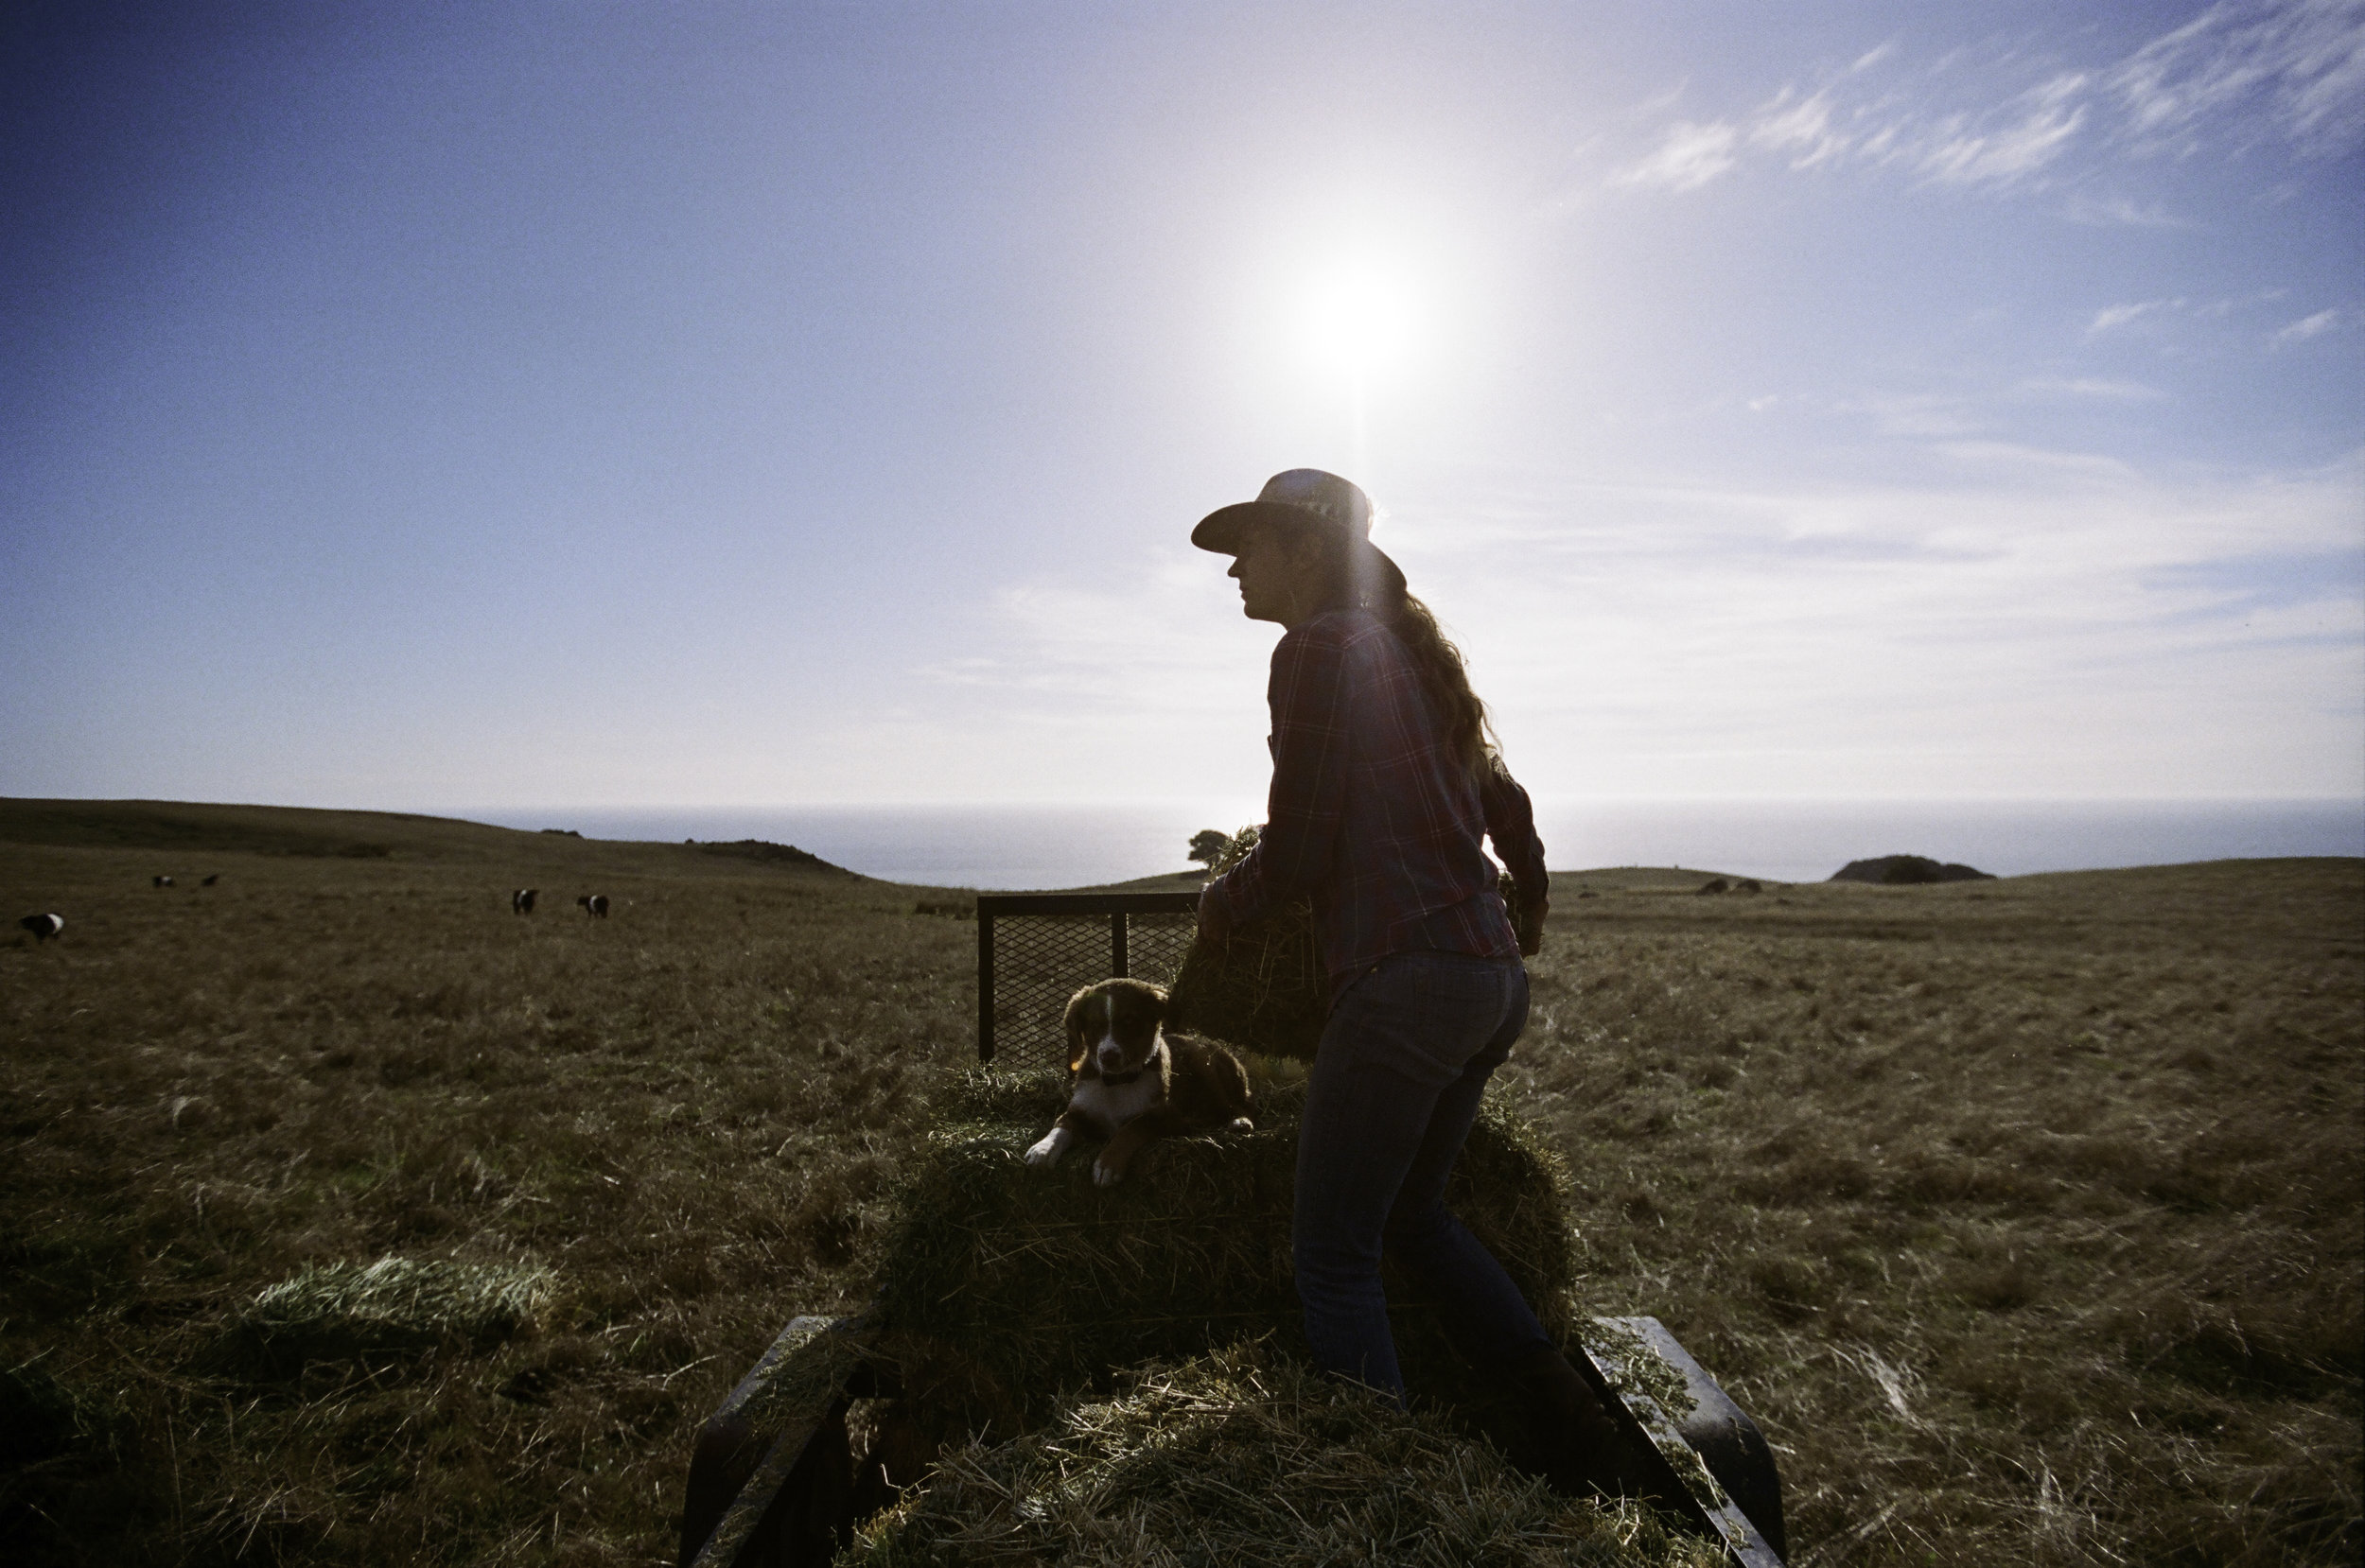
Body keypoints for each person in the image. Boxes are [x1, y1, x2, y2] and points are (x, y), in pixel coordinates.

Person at [1191, 467, 1623, 1488]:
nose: (1235, 569)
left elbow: (1298, 848)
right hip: (1487, 980)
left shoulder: (1316, 648)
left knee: (1332, 1255)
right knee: (1410, 1216)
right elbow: (1508, 807)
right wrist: (1526, 904)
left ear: (1306, 551)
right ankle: (1561, 1413)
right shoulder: (1411, 658)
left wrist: (1220, 905)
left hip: (1406, 981)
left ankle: (1392, 1494)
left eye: (1249, 545)